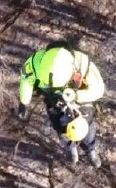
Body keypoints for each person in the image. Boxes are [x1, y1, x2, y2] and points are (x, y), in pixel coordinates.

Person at [17, 40, 105, 168]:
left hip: (79, 97)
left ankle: (90, 149)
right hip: (54, 99)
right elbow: (27, 80)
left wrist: (76, 96)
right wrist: (24, 101)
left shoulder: (83, 64)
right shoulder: (35, 63)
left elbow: (98, 89)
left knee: (87, 125)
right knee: (61, 127)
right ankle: (71, 150)